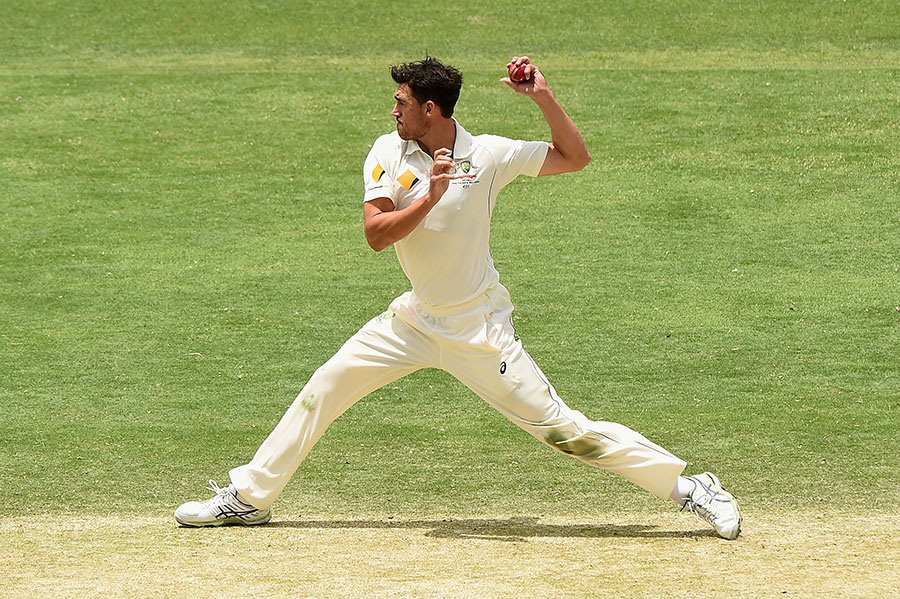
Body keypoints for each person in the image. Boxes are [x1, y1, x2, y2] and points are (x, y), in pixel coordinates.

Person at [174, 56, 742, 540]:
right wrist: (429, 194)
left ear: (432, 110)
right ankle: (250, 498)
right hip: (415, 319)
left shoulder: (489, 155)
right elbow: (377, 235)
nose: (392, 110)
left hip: (478, 329)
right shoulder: (386, 152)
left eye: (402, 102)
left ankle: (692, 488)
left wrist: (542, 96)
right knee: (326, 384)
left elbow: (574, 157)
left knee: (566, 432)